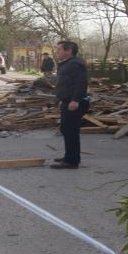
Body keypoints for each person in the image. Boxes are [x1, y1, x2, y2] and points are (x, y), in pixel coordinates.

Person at [51, 41, 89, 169]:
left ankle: (72, 161)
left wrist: (75, 100)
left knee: (71, 131)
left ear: (69, 50)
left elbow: (81, 83)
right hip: (67, 101)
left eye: (59, 50)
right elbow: (65, 84)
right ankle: (69, 156)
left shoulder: (75, 64)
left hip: (74, 102)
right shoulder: (66, 64)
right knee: (66, 130)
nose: (57, 52)